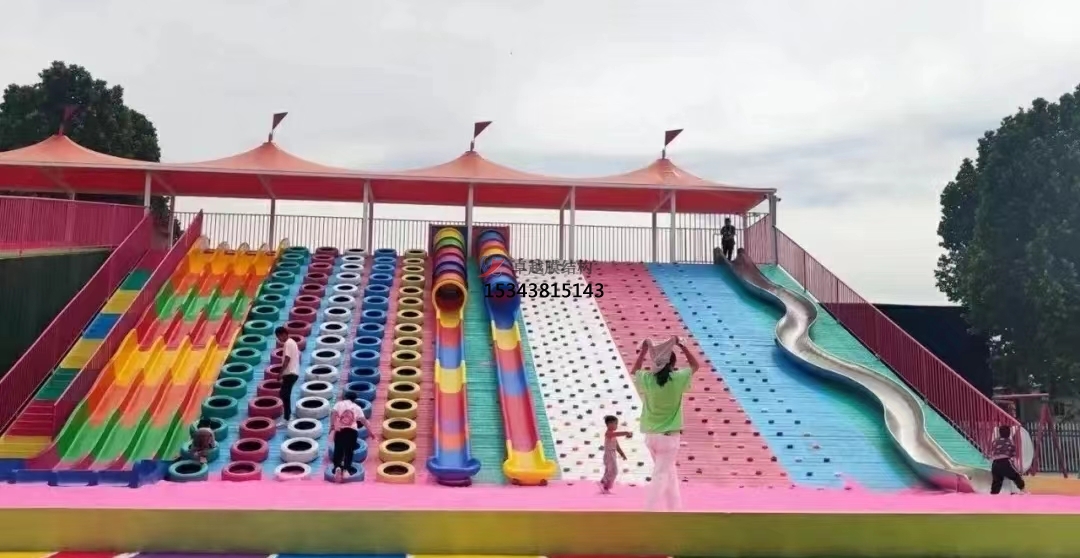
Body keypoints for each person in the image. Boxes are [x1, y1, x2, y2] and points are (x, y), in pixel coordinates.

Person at [630, 336, 699, 511]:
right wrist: (681, 345)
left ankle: (675, 509)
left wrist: (644, 351)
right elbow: (695, 365)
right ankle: (649, 512)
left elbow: (635, 370)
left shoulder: (648, 379)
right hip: (669, 438)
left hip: (651, 436)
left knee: (669, 473)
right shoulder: (677, 379)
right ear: (672, 363)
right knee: (661, 475)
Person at [329, 391, 373, 482]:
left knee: (338, 449)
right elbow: (364, 420)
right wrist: (370, 432)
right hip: (352, 431)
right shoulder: (357, 407)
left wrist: (332, 426)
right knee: (349, 451)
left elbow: (333, 414)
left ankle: (337, 467)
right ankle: (346, 469)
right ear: (354, 399)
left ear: (345, 397)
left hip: (340, 430)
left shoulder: (339, 404)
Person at [990, 425, 1027, 495]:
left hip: (995, 464)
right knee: (1016, 476)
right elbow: (1013, 452)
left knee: (997, 481)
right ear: (1009, 433)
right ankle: (1023, 489)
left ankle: (993, 494)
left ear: (1000, 433)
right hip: (1005, 462)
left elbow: (992, 450)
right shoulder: (1009, 442)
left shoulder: (995, 441)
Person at [599, 415, 631, 494]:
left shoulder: (613, 435)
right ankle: (604, 481)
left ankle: (606, 487)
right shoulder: (608, 433)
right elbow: (617, 434)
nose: (616, 425)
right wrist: (626, 433)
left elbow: (617, 446)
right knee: (614, 471)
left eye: (617, 423)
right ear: (609, 424)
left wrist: (622, 454)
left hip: (612, 454)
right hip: (609, 454)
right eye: (615, 423)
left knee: (609, 471)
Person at [276, 326, 301, 427]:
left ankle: (287, 417)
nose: (279, 339)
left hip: (290, 373)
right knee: (285, 394)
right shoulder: (292, 342)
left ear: (283, 334)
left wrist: (280, 373)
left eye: (279, 337)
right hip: (292, 373)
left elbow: (287, 359)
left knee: (284, 394)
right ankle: (288, 415)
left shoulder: (288, 343)